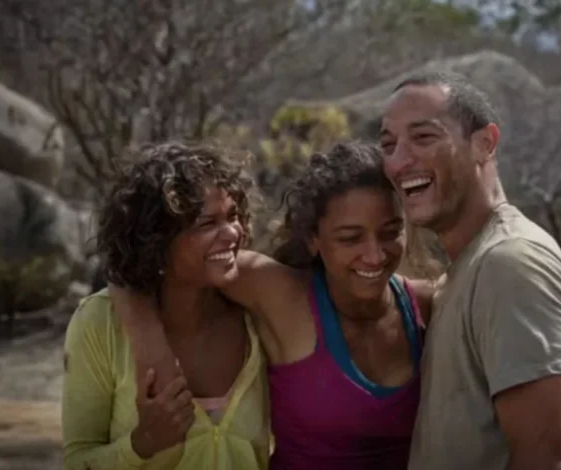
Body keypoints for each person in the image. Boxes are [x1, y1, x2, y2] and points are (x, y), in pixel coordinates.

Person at [110, 141, 435, 470]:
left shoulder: (427, 306)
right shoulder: (280, 295)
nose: (375, 255)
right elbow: (141, 265)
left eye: (390, 232)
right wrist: (154, 353)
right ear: (313, 239)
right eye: (350, 238)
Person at [378, 70, 561, 470]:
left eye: (423, 137)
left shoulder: (509, 264)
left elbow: (548, 460)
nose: (398, 161)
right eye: (388, 145)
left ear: (484, 144)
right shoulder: (469, 268)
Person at [62, 142, 271, 470]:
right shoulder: (99, 323)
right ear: (156, 241)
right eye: (207, 223)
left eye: (233, 216)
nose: (233, 232)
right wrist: (143, 443)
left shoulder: (256, 314)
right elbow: (77, 460)